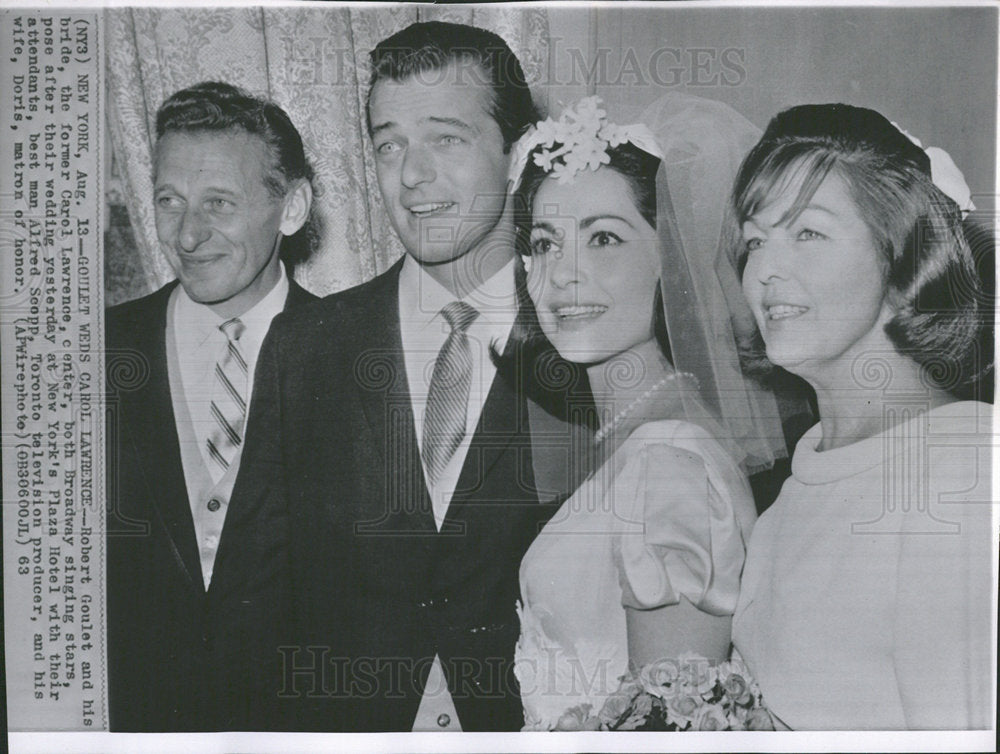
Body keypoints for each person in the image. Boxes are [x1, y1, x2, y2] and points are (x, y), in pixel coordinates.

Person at [229, 21, 592, 731]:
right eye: (389, 143)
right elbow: (256, 604)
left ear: (520, 152)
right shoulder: (304, 345)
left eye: (445, 138)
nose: (411, 175)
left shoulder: (585, 336)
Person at [507, 94, 787, 730]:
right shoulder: (636, 433)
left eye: (603, 238)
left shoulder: (668, 465)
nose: (564, 276)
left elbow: (669, 728)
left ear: (672, 259)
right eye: (545, 243)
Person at [731, 103, 994, 729]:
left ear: (903, 258)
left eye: (809, 233)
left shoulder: (964, 471)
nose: (764, 271)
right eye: (754, 241)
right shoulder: (786, 504)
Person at [104, 80, 317, 731]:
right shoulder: (91, 355)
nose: (188, 235)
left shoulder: (359, 355)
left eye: (219, 203)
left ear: (292, 207)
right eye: (170, 200)